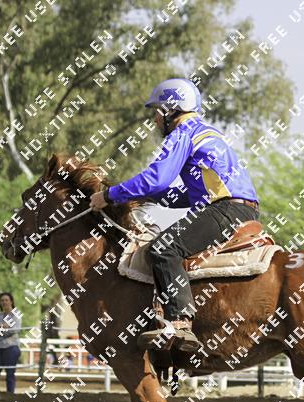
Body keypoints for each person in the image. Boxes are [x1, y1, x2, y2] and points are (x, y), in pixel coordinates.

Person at [89, 78, 260, 352]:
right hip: (241, 209)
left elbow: (157, 178)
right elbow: (186, 195)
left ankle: (179, 323)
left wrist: (109, 195)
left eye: (156, 112)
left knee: (162, 248)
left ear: (170, 110)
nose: (155, 120)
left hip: (224, 210)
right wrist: (144, 196)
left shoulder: (183, 133)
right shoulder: (206, 133)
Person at [0, 292, 22, 393]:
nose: (4, 302)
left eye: (6, 300)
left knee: (10, 375)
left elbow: (14, 330)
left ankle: (10, 396)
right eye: (2, 300)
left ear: (11, 301)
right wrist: (4, 326)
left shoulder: (16, 314)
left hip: (11, 348)